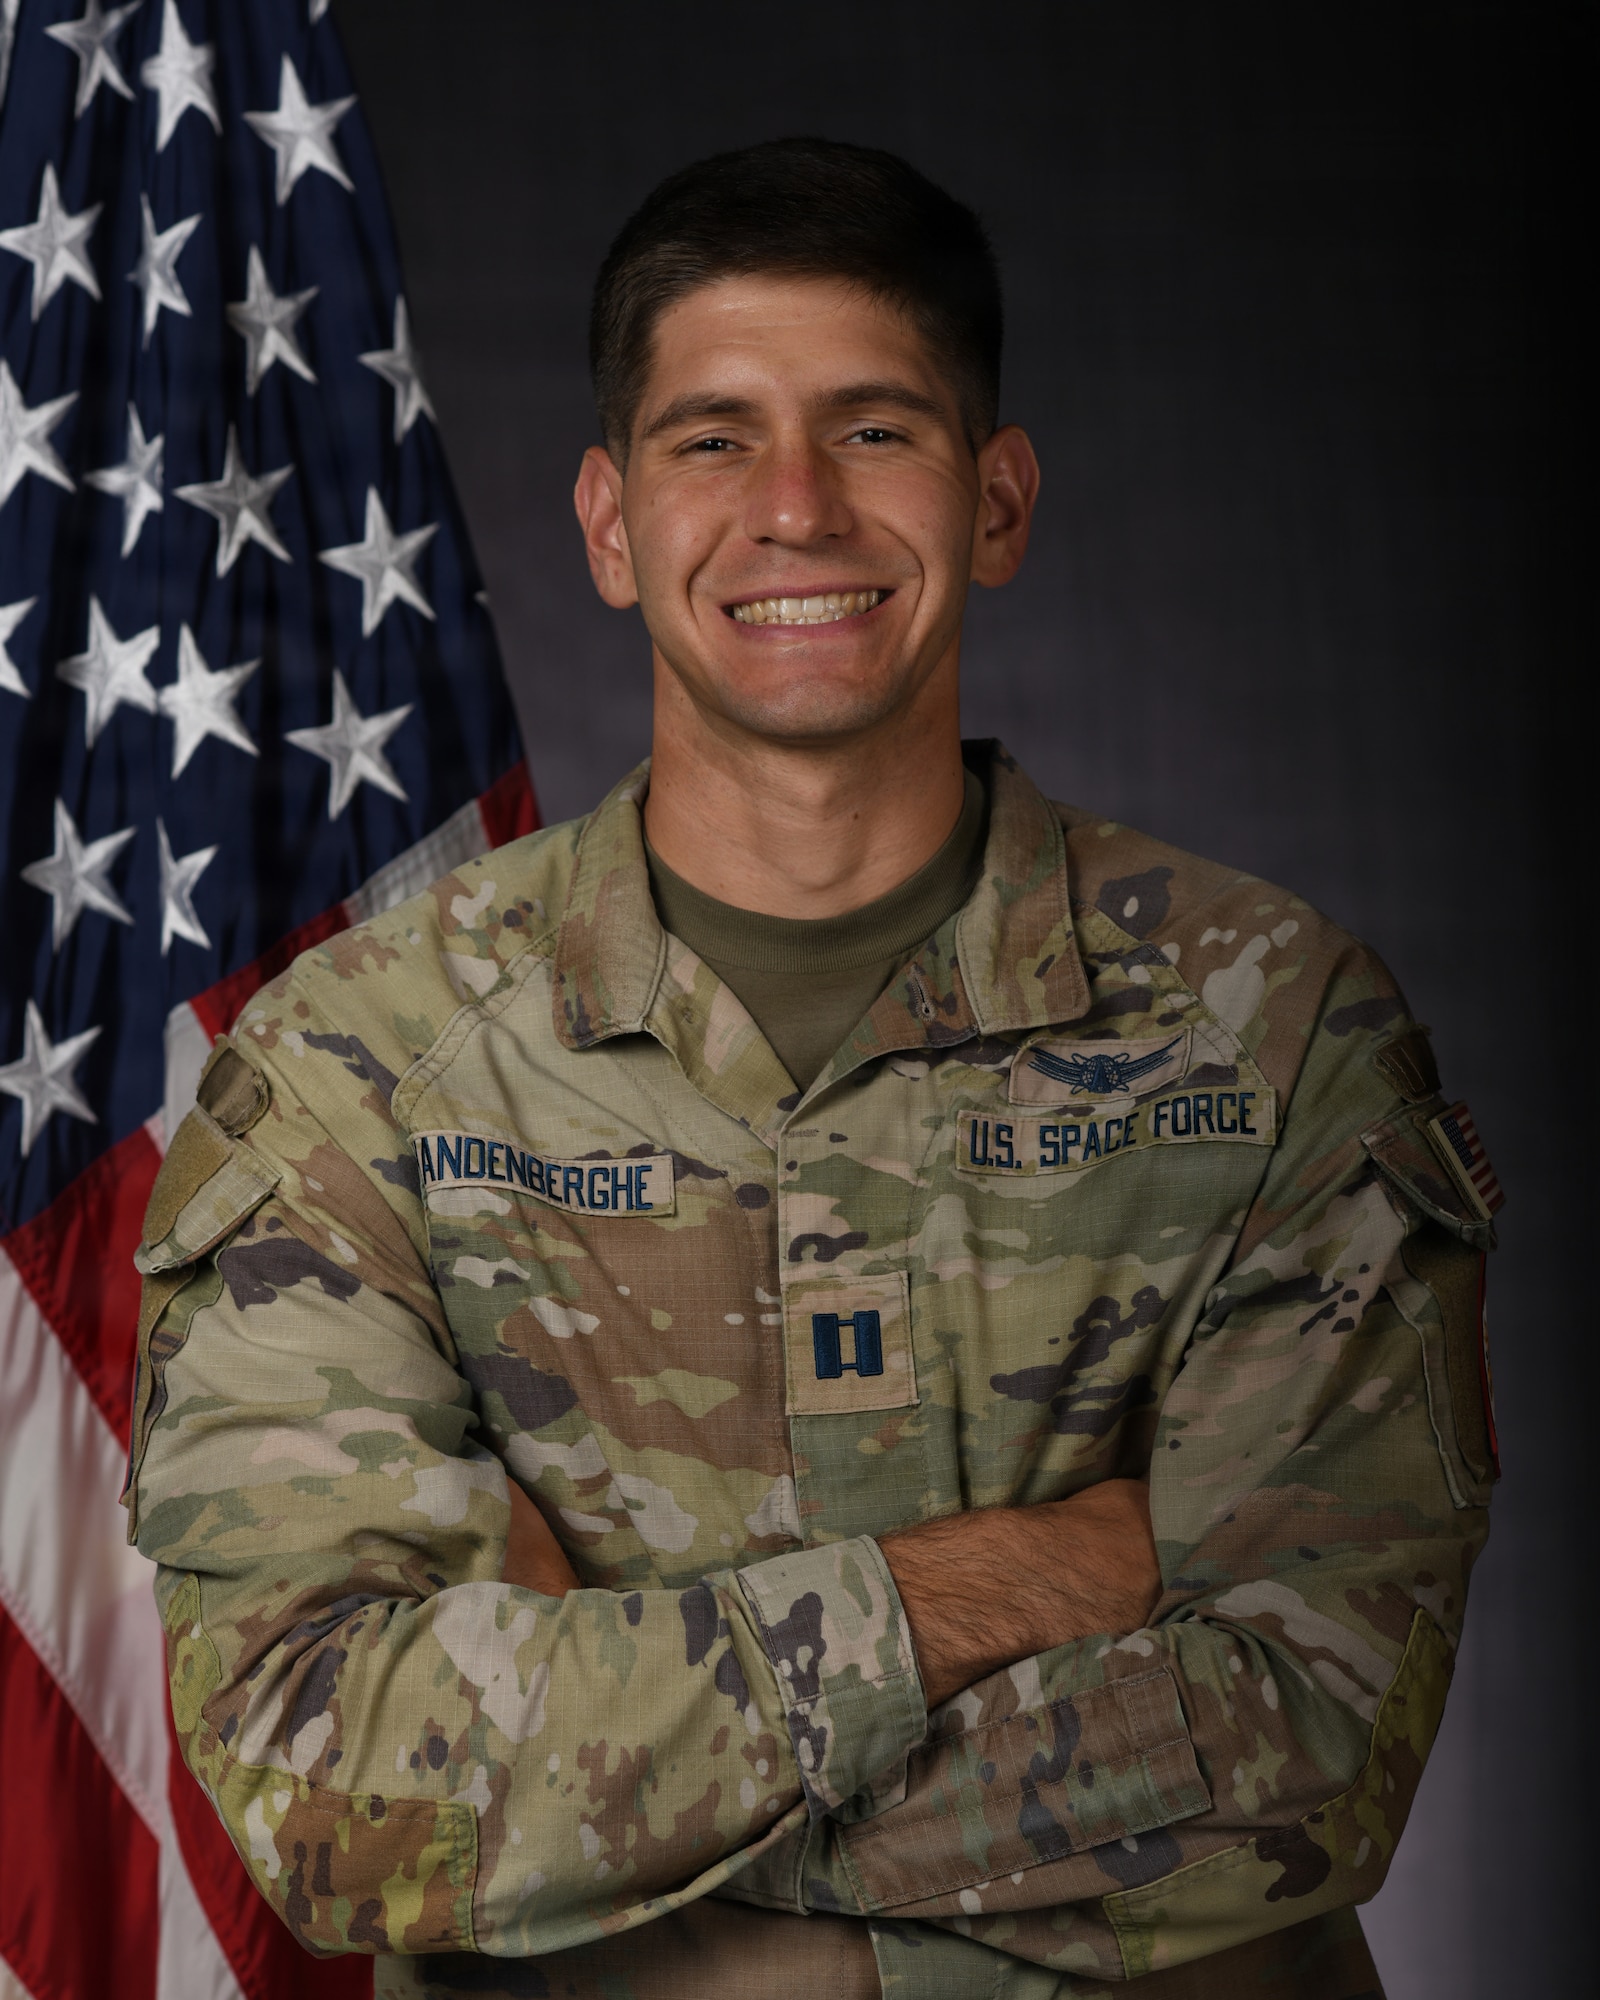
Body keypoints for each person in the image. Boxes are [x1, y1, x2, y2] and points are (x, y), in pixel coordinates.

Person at [125, 138, 1499, 2000]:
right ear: (611, 525)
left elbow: (1310, 1752)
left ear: (995, 503)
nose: (795, 508)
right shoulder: (361, 1071)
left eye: (873, 430)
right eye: (713, 439)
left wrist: (604, 1777)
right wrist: (1006, 1584)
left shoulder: (1269, 1030)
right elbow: (336, 1787)